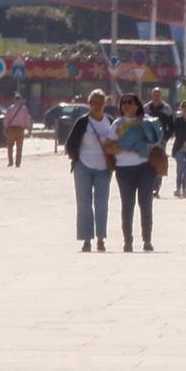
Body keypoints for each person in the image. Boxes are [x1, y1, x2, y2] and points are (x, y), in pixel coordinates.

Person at [111, 92, 164, 252]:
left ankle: (147, 240)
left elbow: (157, 140)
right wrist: (126, 146)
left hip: (145, 168)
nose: (127, 105)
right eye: (124, 103)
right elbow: (108, 147)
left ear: (137, 105)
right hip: (123, 169)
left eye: (130, 102)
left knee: (145, 204)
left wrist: (125, 145)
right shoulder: (116, 124)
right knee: (127, 205)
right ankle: (128, 241)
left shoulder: (147, 122)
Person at [65, 89, 117, 252]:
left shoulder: (110, 122)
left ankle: (101, 239)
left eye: (100, 103)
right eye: (93, 103)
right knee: (84, 204)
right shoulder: (82, 122)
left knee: (101, 204)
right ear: (89, 104)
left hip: (104, 169)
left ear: (104, 104)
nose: (96, 106)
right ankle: (86, 239)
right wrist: (75, 158)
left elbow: (118, 141)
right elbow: (69, 144)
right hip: (83, 167)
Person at [1, 96, 32, 168]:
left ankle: (10, 161)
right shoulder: (24, 109)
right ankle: (18, 163)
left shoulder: (10, 109)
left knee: (10, 146)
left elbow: (6, 120)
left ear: (13, 100)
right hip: (20, 130)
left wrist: (5, 128)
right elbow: (26, 119)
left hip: (11, 130)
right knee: (19, 147)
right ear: (20, 100)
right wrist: (29, 128)